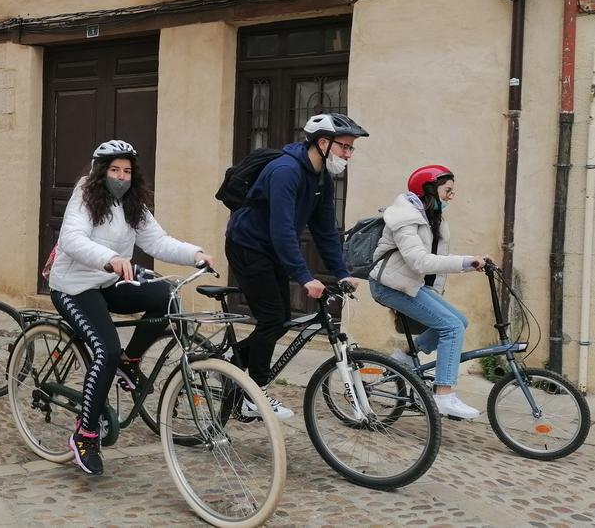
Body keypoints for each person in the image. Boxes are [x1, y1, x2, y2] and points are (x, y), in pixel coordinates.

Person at [47, 139, 213, 476]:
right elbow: (71, 240)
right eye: (114, 170)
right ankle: (85, 435)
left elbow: (157, 241)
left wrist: (195, 254)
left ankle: (130, 361)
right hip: (74, 287)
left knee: (166, 297)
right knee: (105, 350)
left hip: (108, 284)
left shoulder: (133, 203)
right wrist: (110, 259)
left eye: (127, 171)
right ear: (100, 171)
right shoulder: (85, 195)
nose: (121, 177)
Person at [225, 113, 367, 421]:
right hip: (248, 245)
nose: (348, 155)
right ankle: (255, 393)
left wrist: (342, 272)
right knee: (272, 319)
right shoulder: (286, 171)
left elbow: (326, 231)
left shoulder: (322, 178)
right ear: (323, 143)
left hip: (271, 250)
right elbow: (283, 230)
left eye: (351, 149)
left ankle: (229, 366)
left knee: (279, 320)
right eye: (344, 147)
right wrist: (304, 276)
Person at [369, 165, 490, 420]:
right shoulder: (404, 218)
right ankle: (444, 395)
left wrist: (437, 297)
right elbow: (420, 262)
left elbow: (434, 265)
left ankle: (404, 357)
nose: (451, 196)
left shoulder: (433, 220)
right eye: (448, 190)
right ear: (429, 189)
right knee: (451, 328)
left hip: (411, 285)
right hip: (390, 285)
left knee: (460, 321)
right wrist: (468, 262)